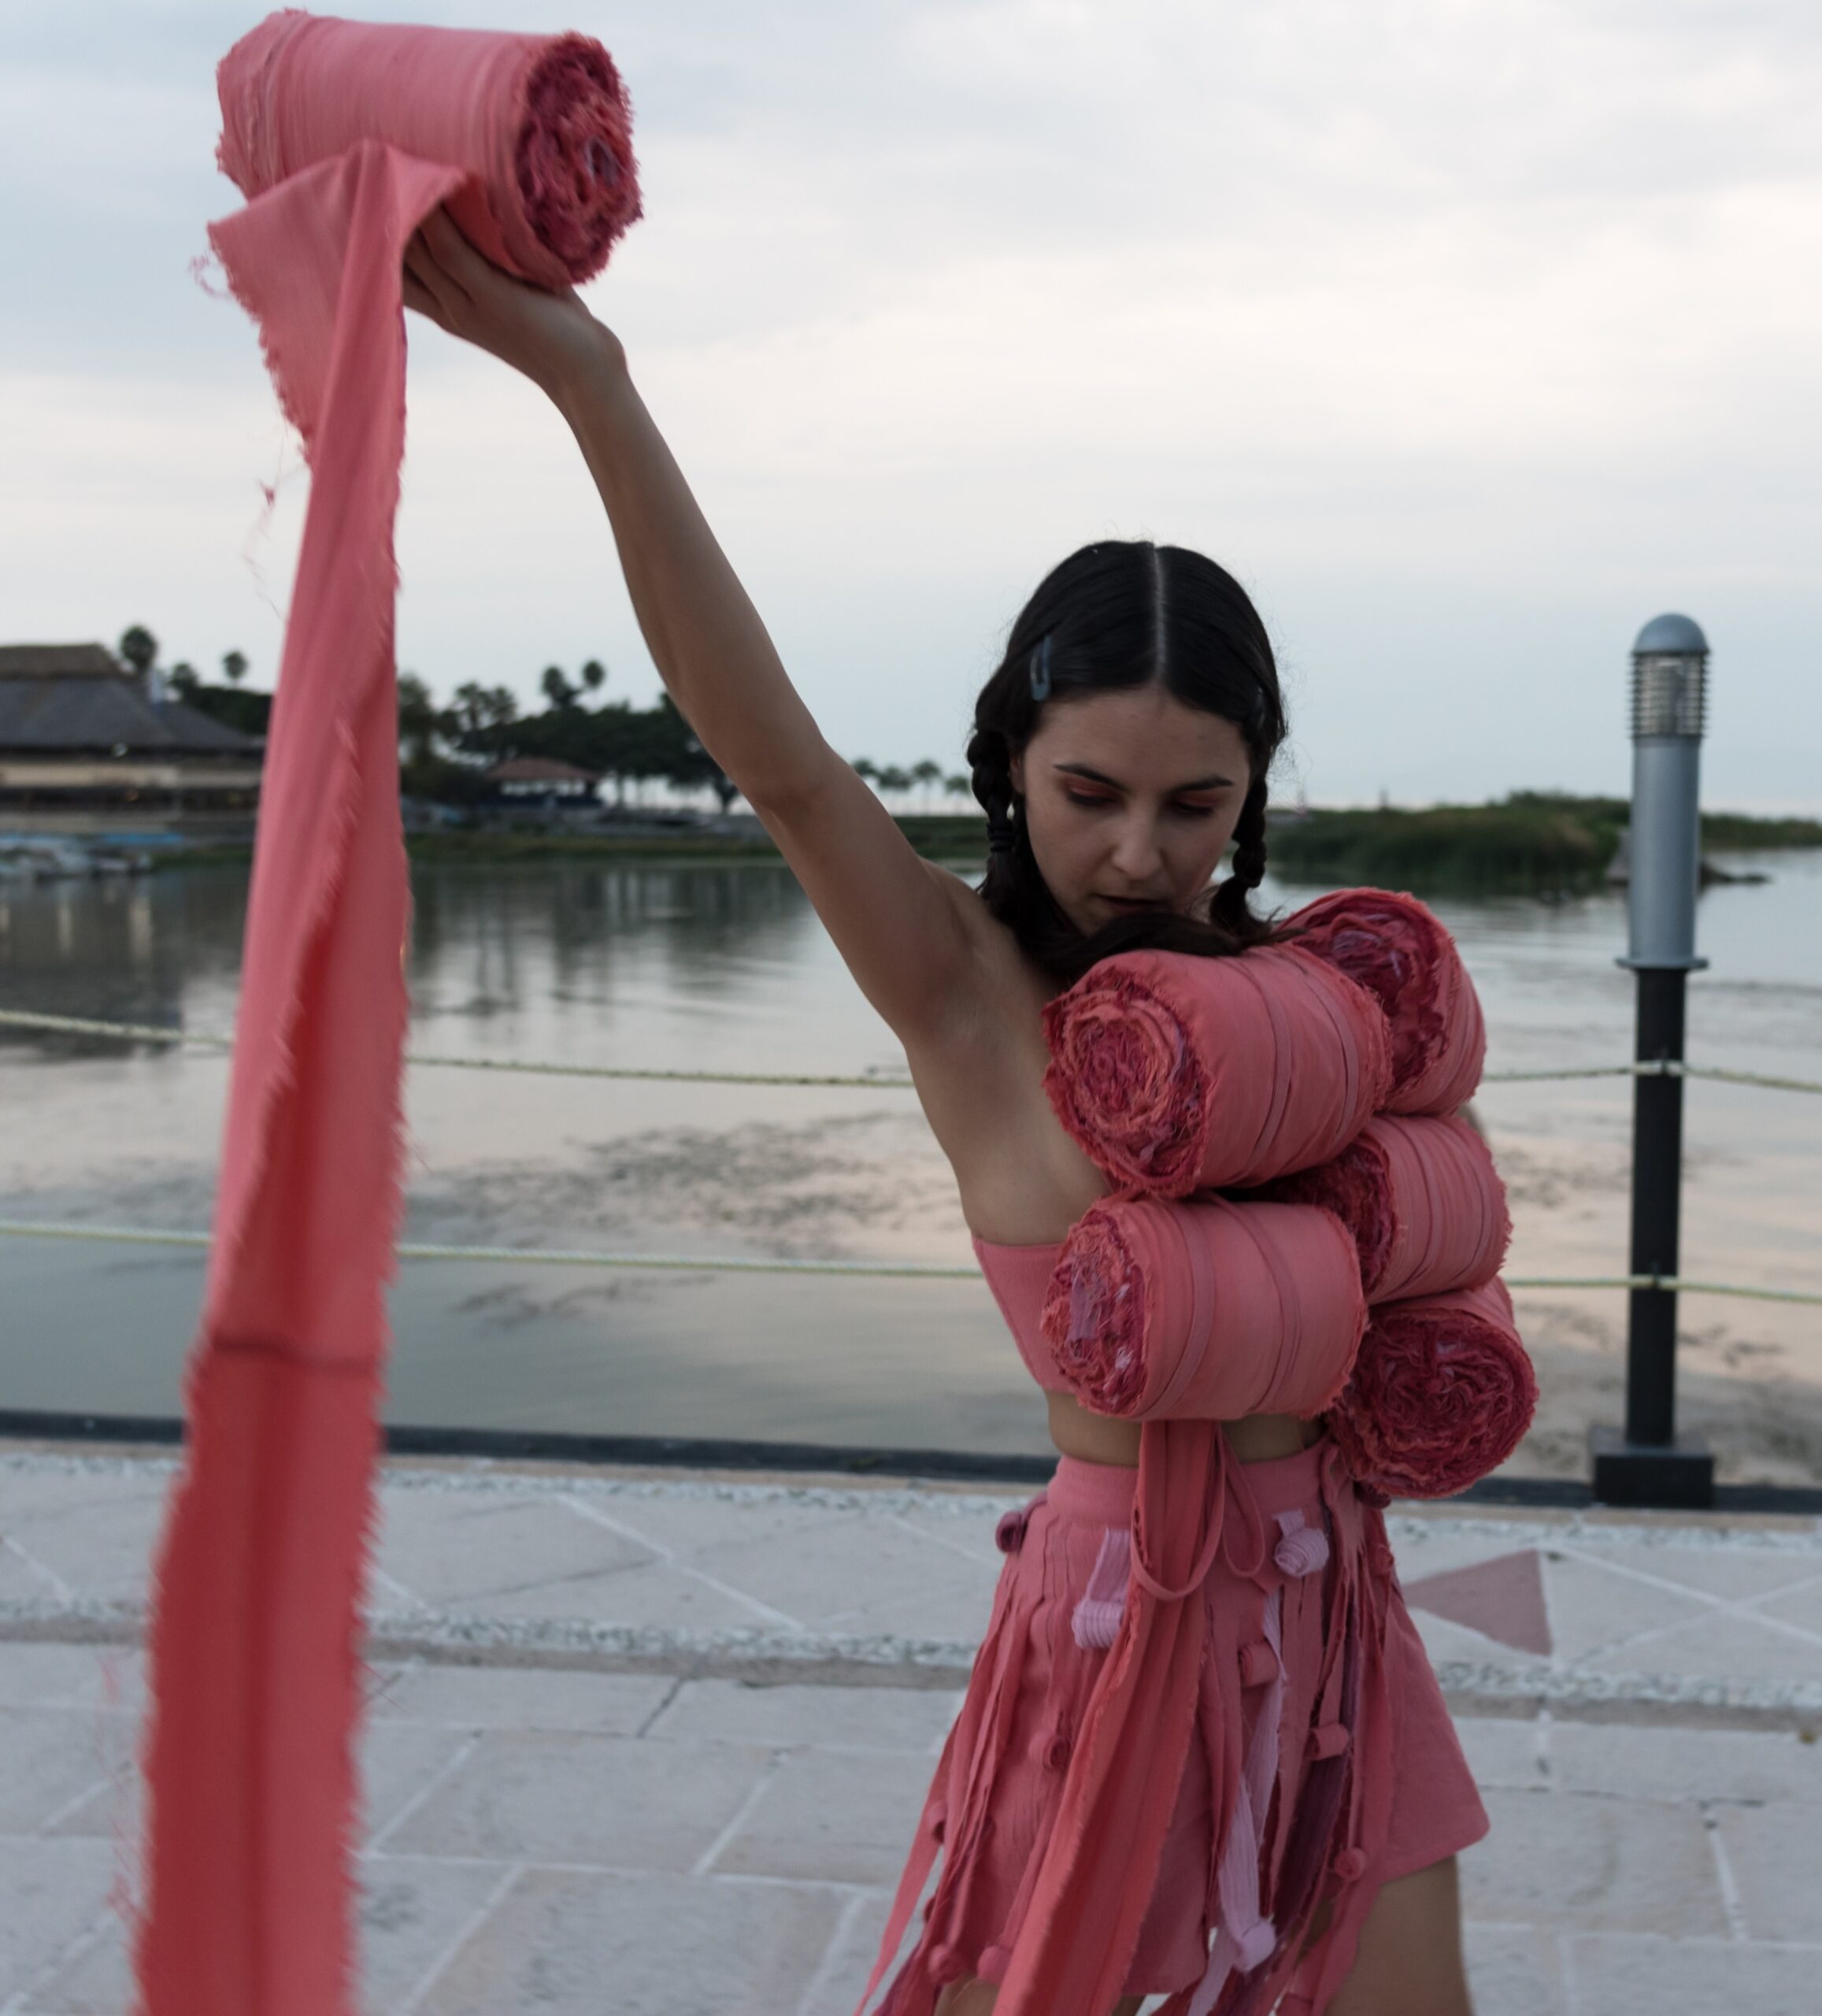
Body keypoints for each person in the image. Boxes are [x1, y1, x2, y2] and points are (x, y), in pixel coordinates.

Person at [401, 208, 1487, 2016]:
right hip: (1119, 1610)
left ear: (1249, 793)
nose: (1138, 849)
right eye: (1088, 790)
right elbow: (771, 749)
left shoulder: (1302, 1003)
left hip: (1332, 1609)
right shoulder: (962, 993)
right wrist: (588, 381)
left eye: (1195, 802)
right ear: (1008, 764)